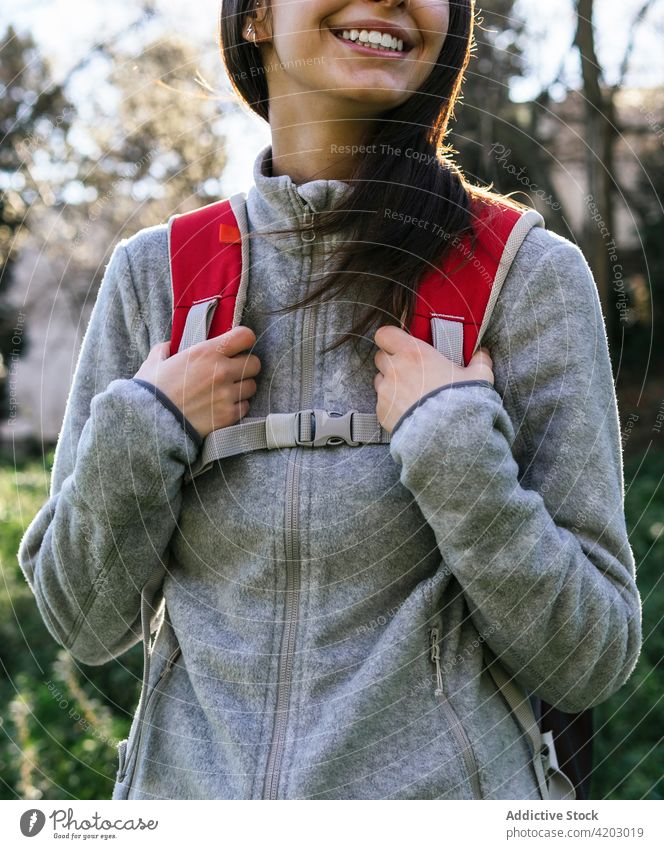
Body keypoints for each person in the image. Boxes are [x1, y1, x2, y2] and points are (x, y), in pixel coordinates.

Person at [18, 0, 642, 800]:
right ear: (255, 17)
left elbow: (591, 654)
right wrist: (150, 425)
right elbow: (82, 619)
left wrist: (455, 450)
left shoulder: (525, 277)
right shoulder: (157, 276)